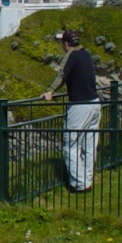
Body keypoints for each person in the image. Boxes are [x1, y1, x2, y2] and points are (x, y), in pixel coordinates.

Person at [42, 29, 101, 192]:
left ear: (66, 43)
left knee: (71, 144)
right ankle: (87, 180)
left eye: (62, 42)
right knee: (89, 144)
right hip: (94, 103)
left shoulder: (71, 55)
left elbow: (62, 75)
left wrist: (50, 92)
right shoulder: (86, 54)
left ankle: (79, 184)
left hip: (79, 105)